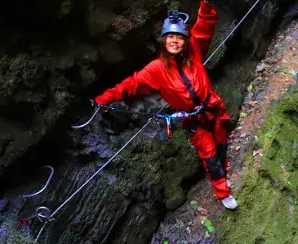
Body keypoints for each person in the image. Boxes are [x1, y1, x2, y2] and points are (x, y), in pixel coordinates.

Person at [93, 0, 238, 209]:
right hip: (193, 120)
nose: (175, 41)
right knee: (209, 155)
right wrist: (104, 99)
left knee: (222, 145)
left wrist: (205, 6)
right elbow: (131, 85)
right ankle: (223, 191)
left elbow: (204, 27)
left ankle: (223, 176)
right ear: (164, 40)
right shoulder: (157, 69)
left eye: (179, 37)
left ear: (185, 40)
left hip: (213, 109)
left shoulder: (195, 50)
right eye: (170, 37)